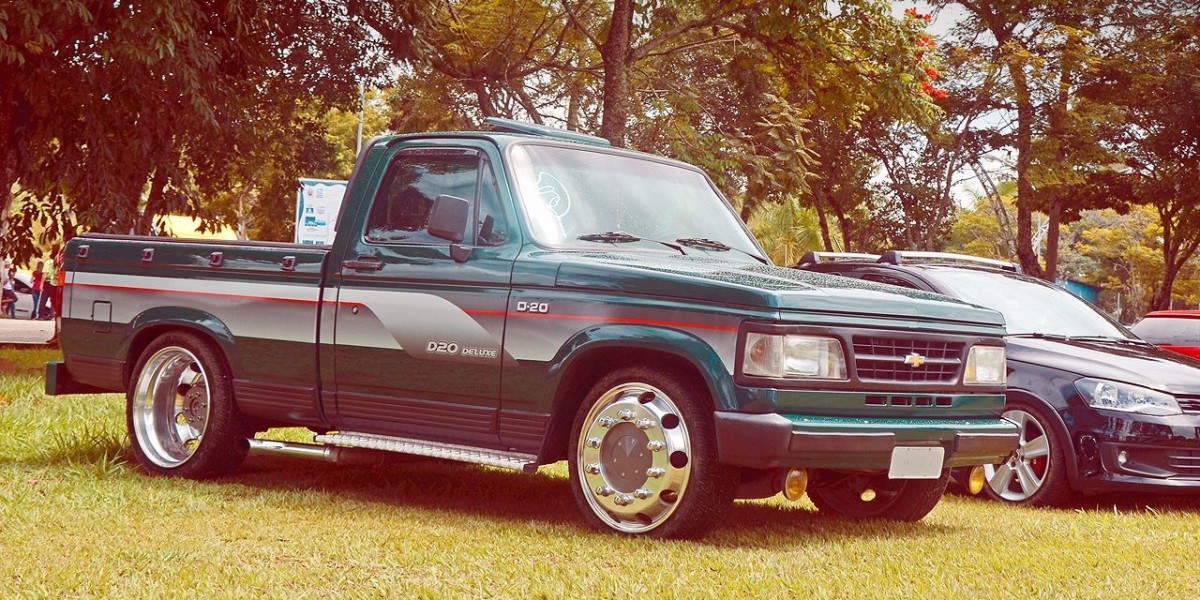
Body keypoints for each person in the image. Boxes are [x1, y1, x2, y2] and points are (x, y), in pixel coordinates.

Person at [39, 246, 58, 320]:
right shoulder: (58, 262)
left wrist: (41, 283)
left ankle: (41, 315)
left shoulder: (48, 262)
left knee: (43, 299)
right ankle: (52, 315)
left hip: (48, 282)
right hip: (55, 282)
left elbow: (45, 274)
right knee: (53, 300)